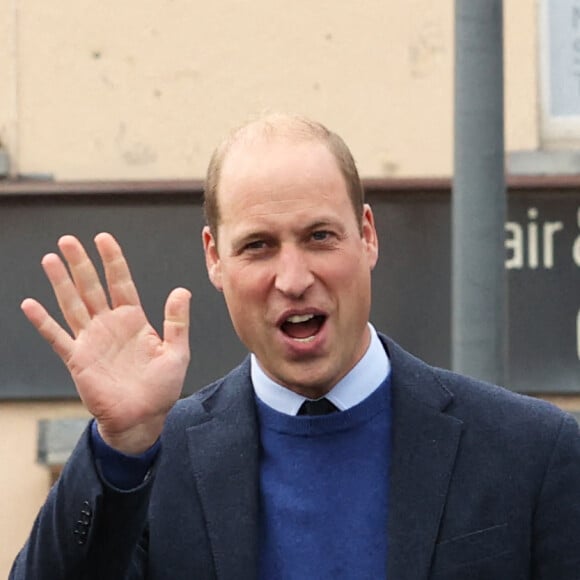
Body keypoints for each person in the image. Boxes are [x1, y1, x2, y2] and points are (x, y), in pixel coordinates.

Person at [10, 113, 580, 579]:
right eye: (258, 245)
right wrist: (121, 446)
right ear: (214, 257)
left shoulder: (534, 451)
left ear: (368, 235)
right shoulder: (154, 465)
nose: (293, 277)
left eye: (319, 237)